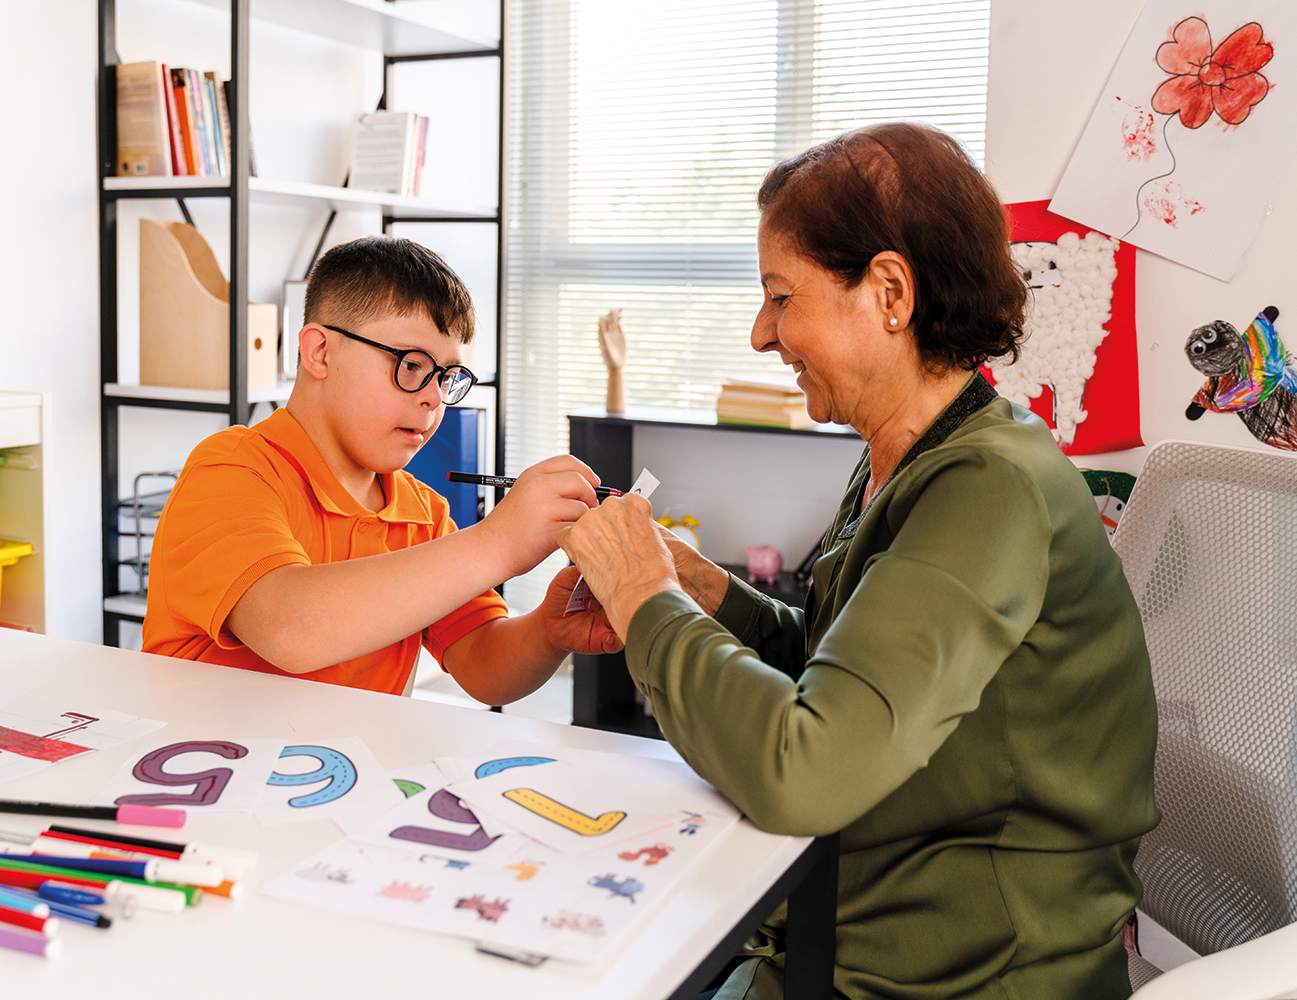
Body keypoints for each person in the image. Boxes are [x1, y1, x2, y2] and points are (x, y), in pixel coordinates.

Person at [559, 123, 1159, 1000]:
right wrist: (700, 586)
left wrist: (643, 597)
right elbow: (838, 665)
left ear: (888, 292)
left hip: (964, 974)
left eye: (780, 297)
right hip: (857, 918)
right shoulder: (909, 455)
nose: (762, 334)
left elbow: (805, 766)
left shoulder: (990, 487)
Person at [144, 236, 621, 703]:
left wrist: (548, 631)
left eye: (447, 376)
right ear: (321, 353)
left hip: (349, 773)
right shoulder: (230, 469)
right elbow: (292, 628)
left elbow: (484, 666)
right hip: (211, 770)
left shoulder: (423, 513)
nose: (434, 397)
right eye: (411, 365)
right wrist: (497, 543)